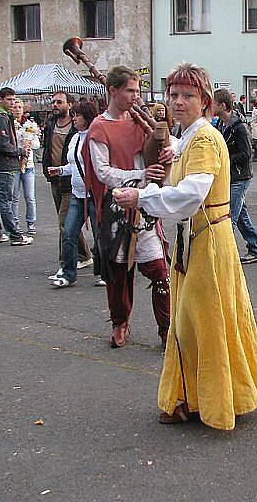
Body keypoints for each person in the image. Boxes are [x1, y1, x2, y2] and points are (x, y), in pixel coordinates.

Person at [113, 61, 257, 430]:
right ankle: (194, 397)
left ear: (205, 101)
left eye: (188, 95)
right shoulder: (189, 139)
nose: (178, 101)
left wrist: (141, 197)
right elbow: (179, 183)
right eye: (174, 94)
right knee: (195, 322)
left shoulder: (203, 140)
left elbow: (189, 197)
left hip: (208, 242)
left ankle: (205, 399)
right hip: (194, 241)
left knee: (198, 323)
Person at [85, 65, 171, 348]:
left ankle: (166, 328)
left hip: (145, 205)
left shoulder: (139, 122)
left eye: (137, 91)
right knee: (119, 272)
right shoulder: (99, 127)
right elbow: (104, 173)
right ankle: (120, 322)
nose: (135, 96)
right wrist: (141, 175)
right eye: (130, 91)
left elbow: (161, 152)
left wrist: (170, 149)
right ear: (113, 90)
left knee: (159, 270)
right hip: (117, 207)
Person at [48, 100, 100, 287]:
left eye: (77, 115)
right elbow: (74, 165)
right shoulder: (75, 138)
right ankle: (69, 273)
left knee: (99, 235)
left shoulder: (95, 137)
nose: (74, 118)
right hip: (78, 194)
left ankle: (105, 272)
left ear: (87, 117)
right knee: (69, 232)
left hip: (94, 195)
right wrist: (60, 170)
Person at [212, 88, 257, 264]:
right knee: (241, 216)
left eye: (213, 103)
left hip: (240, 178)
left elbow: (246, 154)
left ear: (223, 105)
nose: (210, 105)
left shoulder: (239, 127)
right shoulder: (220, 124)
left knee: (229, 218)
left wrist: (223, 158)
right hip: (231, 176)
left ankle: (223, 256)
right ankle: (255, 249)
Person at [42, 92, 92, 275]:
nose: (55, 105)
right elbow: (49, 149)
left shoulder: (80, 132)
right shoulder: (51, 125)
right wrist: (55, 170)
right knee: (69, 226)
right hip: (57, 180)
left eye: (59, 102)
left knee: (65, 224)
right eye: (53, 102)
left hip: (78, 187)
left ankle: (66, 265)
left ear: (69, 105)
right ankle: (82, 257)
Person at [0, 87, 33, 246]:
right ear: (0, 100)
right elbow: (3, 145)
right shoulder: (1, 118)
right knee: (5, 200)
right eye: (9, 99)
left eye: (14, 99)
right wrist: (20, 151)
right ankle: (15, 235)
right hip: (4, 165)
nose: (12, 103)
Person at [11, 99, 40, 235]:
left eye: (19, 107)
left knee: (30, 196)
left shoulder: (30, 124)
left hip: (28, 165)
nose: (17, 110)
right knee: (14, 196)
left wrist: (28, 142)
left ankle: (31, 222)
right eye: (15, 107)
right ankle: (15, 222)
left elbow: (37, 144)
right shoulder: (10, 124)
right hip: (14, 164)